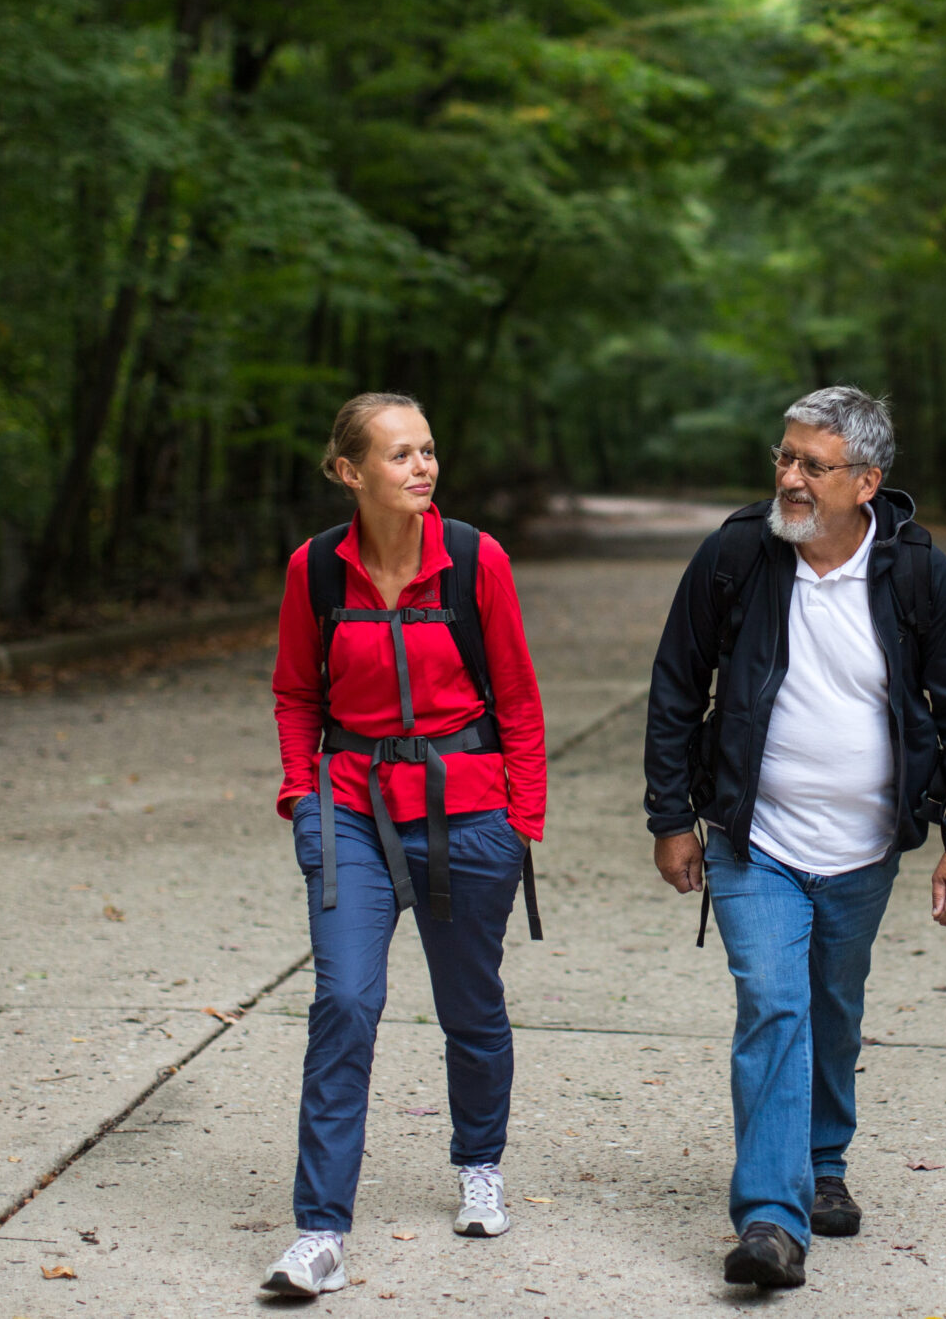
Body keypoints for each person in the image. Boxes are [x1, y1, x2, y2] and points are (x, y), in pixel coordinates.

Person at [645, 386, 946, 1289]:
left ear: (867, 481)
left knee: (831, 1005)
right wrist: (669, 816)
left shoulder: (918, 573)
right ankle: (771, 1217)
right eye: (785, 456)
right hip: (752, 833)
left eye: (814, 464)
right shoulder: (738, 553)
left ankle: (824, 1159)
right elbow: (676, 683)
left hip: (865, 844)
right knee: (772, 1002)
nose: (791, 476)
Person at [259, 393, 547, 1299]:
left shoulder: (474, 558)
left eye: (428, 450)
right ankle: (319, 1232)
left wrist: (518, 822)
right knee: (344, 1001)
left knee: (471, 1004)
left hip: (467, 813)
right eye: (399, 455)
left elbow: (520, 695)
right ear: (348, 472)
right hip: (352, 811)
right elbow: (296, 695)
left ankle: (479, 1164)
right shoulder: (313, 570)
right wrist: (304, 798)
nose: (422, 467)